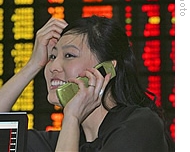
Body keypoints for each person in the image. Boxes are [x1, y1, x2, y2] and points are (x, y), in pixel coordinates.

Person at [0, 16, 174, 151]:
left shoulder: (140, 125)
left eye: (69, 55)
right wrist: (33, 65)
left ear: (105, 69)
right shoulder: (64, 139)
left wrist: (72, 118)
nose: (53, 67)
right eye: (52, 57)